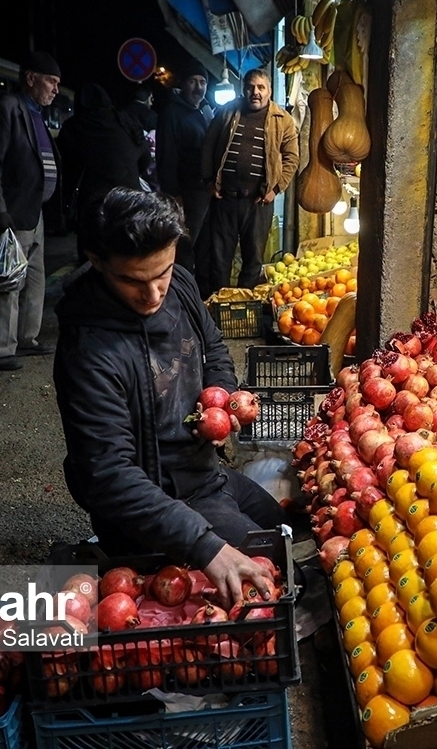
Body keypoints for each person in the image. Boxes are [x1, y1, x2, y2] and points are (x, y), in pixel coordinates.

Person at [53, 188, 284, 606]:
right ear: (96, 260)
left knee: (280, 527)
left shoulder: (180, 284)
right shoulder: (88, 353)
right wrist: (206, 547)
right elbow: (110, 476)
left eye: (162, 273)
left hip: (204, 472)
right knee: (271, 580)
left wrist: (223, 398)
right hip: (154, 499)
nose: (154, 294)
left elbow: (212, 347)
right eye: (133, 280)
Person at [0, 51, 64, 371]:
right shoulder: (7, 109)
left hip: (34, 212)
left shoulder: (36, 113)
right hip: (11, 213)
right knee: (7, 280)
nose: (55, 89)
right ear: (30, 78)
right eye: (51, 82)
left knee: (34, 279)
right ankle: (1, 348)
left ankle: (27, 337)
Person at [198, 68, 299, 297]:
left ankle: (245, 308)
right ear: (243, 90)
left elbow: (292, 158)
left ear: (269, 91)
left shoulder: (282, 120)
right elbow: (208, 146)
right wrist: (208, 181)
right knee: (219, 259)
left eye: (261, 87)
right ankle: (219, 306)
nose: (256, 92)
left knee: (253, 260)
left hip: (258, 202)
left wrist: (276, 188)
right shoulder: (226, 112)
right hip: (225, 199)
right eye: (251, 87)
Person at [57, 83, 147, 260]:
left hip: (94, 203)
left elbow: (67, 168)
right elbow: (145, 158)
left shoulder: (75, 127)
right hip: (130, 198)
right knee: (125, 255)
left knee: (92, 257)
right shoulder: (126, 121)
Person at [156, 63, 214, 274]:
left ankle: (202, 296)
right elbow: (166, 155)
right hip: (186, 193)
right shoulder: (172, 112)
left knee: (205, 247)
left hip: (207, 191)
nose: (198, 87)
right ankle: (181, 293)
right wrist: (174, 193)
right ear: (183, 85)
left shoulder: (206, 110)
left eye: (203, 82)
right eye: (192, 81)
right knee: (184, 247)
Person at [120, 86, 158, 187]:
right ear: (146, 98)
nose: (151, 103)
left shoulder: (121, 113)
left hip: (125, 165)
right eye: (151, 99)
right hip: (146, 168)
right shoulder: (151, 116)